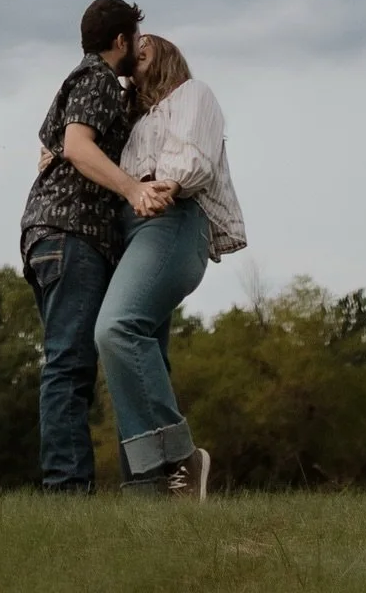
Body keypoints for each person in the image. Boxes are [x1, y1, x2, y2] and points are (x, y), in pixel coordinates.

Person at [20, 0, 177, 493]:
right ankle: (67, 494)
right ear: (120, 42)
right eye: (135, 39)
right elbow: (76, 146)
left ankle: (131, 484)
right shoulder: (97, 80)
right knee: (69, 366)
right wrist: (134, 189)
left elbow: (55, 143)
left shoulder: (86, 81)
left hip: (58, 237)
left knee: (78, 364)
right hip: (71, 235)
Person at [94, 33, 246, 499]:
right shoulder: (133, 119)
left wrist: (166, 186)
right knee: (143, 353)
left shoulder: (192, 94)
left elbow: (192, 161)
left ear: (163, 55)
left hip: (172, 220)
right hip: (132, 229)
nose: (133, 56)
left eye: (144, 49)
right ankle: (150, 491)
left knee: (116, 329)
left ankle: (182, 456)